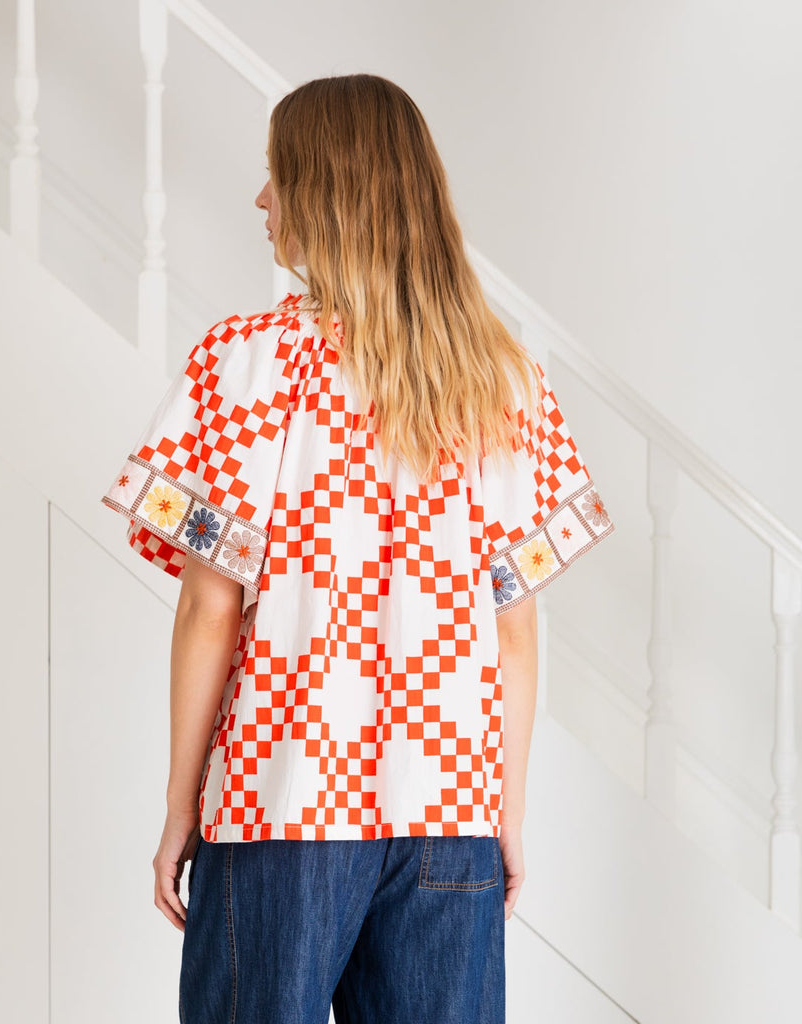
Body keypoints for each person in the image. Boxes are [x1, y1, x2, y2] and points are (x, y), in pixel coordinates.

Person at [101, 73, 615, 1024]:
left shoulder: (245, 364)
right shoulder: (503, 380)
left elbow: (209, 607)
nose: (262, 200)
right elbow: (516, 632)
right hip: (449, 808)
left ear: (330, 193)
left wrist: (184, 808)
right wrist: (503, 809)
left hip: (278, 797)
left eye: (278, 177)